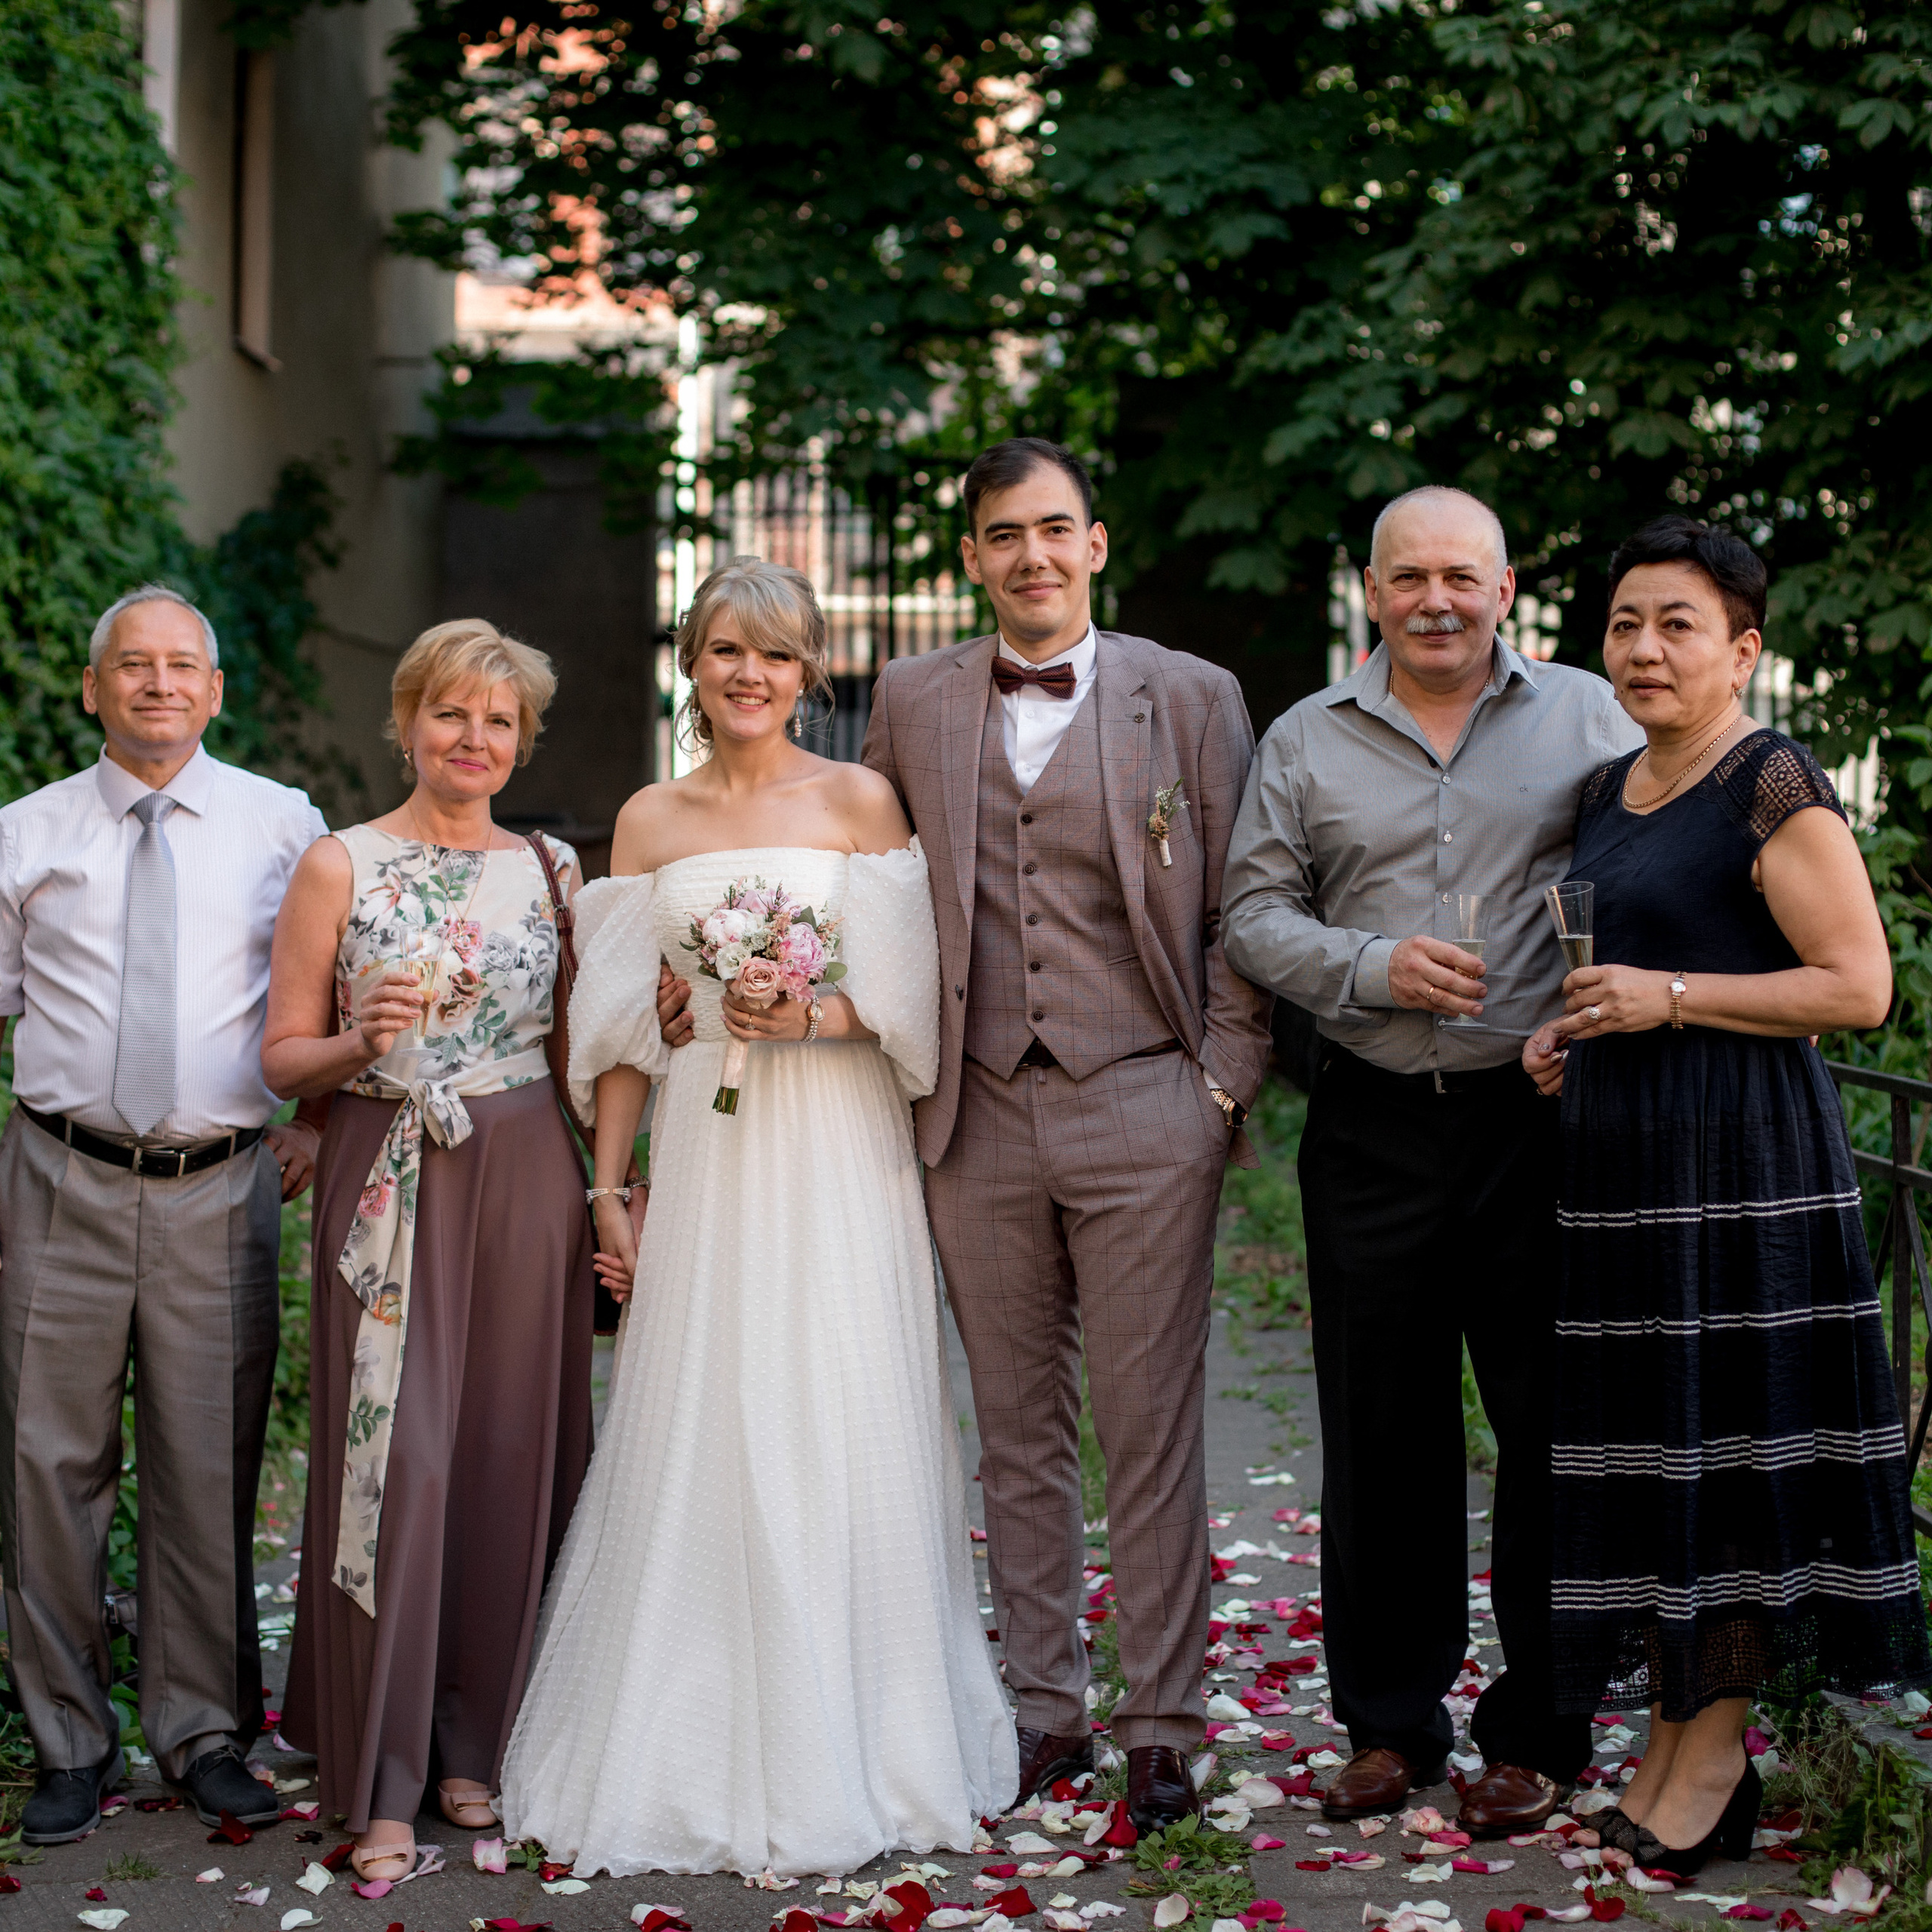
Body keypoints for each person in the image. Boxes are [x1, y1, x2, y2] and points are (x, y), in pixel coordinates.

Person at [500, 556, 1014, 1878]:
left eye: (776, 654)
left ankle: (859, 1732)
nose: (750, 674)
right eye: (727, 648)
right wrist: (612, 1191)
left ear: (808, 672)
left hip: (839, 1147)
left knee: (837, 1403)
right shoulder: (648, 820)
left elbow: (913, 1004)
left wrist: (814, 1013)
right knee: (705, 1409)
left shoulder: (861, 801)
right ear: (692, 660)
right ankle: (687, 1731)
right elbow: (622, 1032)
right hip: (710, 1155)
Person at [860, 440, 1274, 1832]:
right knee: (1015, 1428)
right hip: (974, 1110)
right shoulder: (912, 699)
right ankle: (1044, 1713)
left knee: (1148, 1424)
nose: (1030, 555)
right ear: (972, 557)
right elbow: (866, 885)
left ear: (1095, 545)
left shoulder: (1193, 696)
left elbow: (1241, 904)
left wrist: (1220, 1087)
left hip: (1148, 1101)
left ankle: (1160, 1727)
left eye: (1054, 530)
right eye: (1003, 535)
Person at [1220, 486, 1642, 1835]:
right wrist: (1372, 965)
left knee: (1552, 1429)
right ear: (1372, 590)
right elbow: (1250, 914)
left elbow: (1658, 863)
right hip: (1374, 1122)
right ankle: (1390, 1725)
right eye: (1409, 577)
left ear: (1505, 588)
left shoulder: (1592, 716)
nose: (1437, 600)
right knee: (1381, 1432)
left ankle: (1540, 1728)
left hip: (1541, 1122)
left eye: (1462, 576)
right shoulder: (1305, 737)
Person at [1521, 515, 1930, 1876]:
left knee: (1732, 1452)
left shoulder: (1773, 782)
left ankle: (1715, 1760)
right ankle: (1672, 1739)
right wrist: (1571, 1028)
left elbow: (1858, 988)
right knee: (1661, 1452)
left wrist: (1671, 997)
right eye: (1626, 623)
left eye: (1678, 625)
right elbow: (1632, 967)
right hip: (1629, 1171)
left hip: (1741, 1173)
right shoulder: (1612, 787)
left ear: (1743, 651)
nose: (1644, 647)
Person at [266, 620, 598, 1882]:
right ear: (406, 722)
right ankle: (383, 1770)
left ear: (523, 743)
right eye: (452, 714)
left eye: (499, 721)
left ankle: (476, 1740)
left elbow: (578, 1050)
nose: (474, 739)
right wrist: (360, 1038)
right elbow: (280, 1058)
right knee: (397, 1462)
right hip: (387, 1165)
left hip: (526, 1174)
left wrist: (616, 1184)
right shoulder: (338, 864)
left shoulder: (555, 869)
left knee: (509, 1455)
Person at [0, 585, 328, 1844]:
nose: (158, 683)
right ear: (93, 689)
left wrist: (313, 1122)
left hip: (219, 1186)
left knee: (207, 1463)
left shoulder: (283, 825)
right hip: (58, 1180)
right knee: (46, 1467)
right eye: (132, 665)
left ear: (215, 690)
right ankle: (70, 1744)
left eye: (182, 665)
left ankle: (202, 1735)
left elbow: (330, 988)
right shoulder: (25, 834)